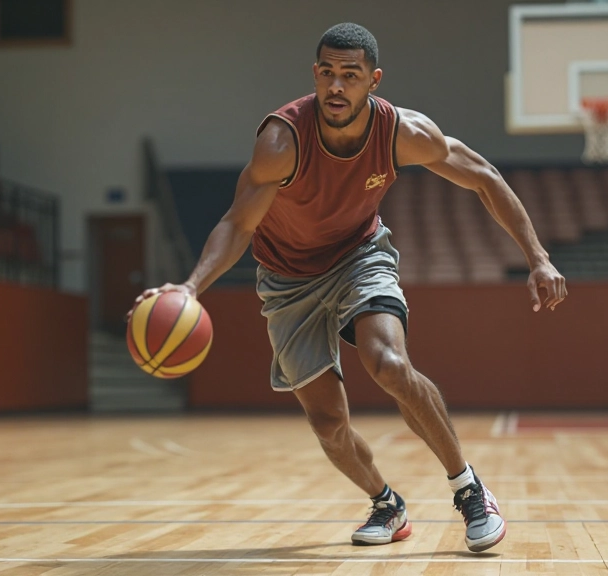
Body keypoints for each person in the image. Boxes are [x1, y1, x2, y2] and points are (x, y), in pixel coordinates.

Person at [131, 22, 567, 553]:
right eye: (328, 74)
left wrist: (538, 257)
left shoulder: (403, 133)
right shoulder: (281, 141)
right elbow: (238, 224)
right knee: (328, 422)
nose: (337, 87)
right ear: (315, 74)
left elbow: (483, 175)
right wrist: (192, 287)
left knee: (388, 363)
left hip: (359, 255)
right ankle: (386, 502)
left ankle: (469, 489)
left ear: (373, 81)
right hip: (287, 281)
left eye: (350, 76)